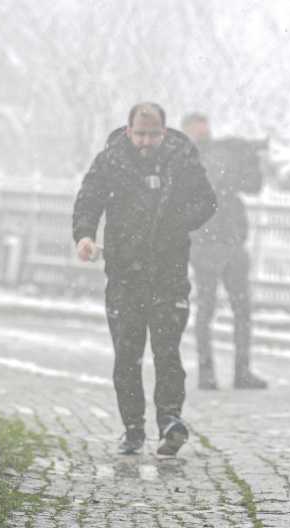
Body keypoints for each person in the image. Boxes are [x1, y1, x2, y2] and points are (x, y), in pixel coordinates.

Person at [72, 103, 217, 456]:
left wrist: (176, 222)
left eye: (152, 134)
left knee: (167, 351)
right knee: (127, 354)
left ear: (164, 132)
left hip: (169, 272)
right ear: (128, 130)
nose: (145, 142)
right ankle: (133, 427)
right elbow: (88, 200)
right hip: (125, 273)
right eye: (140, 134)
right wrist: (84, 236)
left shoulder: (181, 160)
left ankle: (169, 420)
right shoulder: (111, 160)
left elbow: (206, 201)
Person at [181, 114, 268, 390]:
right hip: (206, 242)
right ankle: (210, 372)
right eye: (198, 128)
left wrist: (251, 158)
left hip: (228, 240)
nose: (204, 132)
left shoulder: (221, 154)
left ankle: (240, 371)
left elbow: (252, 185)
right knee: (208, 308)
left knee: (240, 309)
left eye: (205, 127)